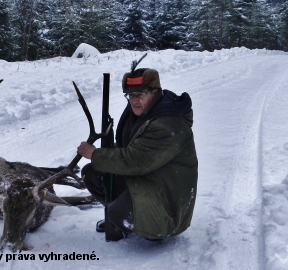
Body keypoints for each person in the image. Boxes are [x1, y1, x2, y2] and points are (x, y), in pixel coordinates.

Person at [77, 64, 198, 241]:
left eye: (140, 94)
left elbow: (135, 161)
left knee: (117, 212)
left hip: (169, 206)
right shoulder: (145, 113)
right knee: (93, 173)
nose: (134, 101)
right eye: (131, 95)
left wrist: (96, 154)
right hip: (150, 180)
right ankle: (125, 218)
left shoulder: (167, 123)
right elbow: (128, 148)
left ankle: (149, 227)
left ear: (155, 93)